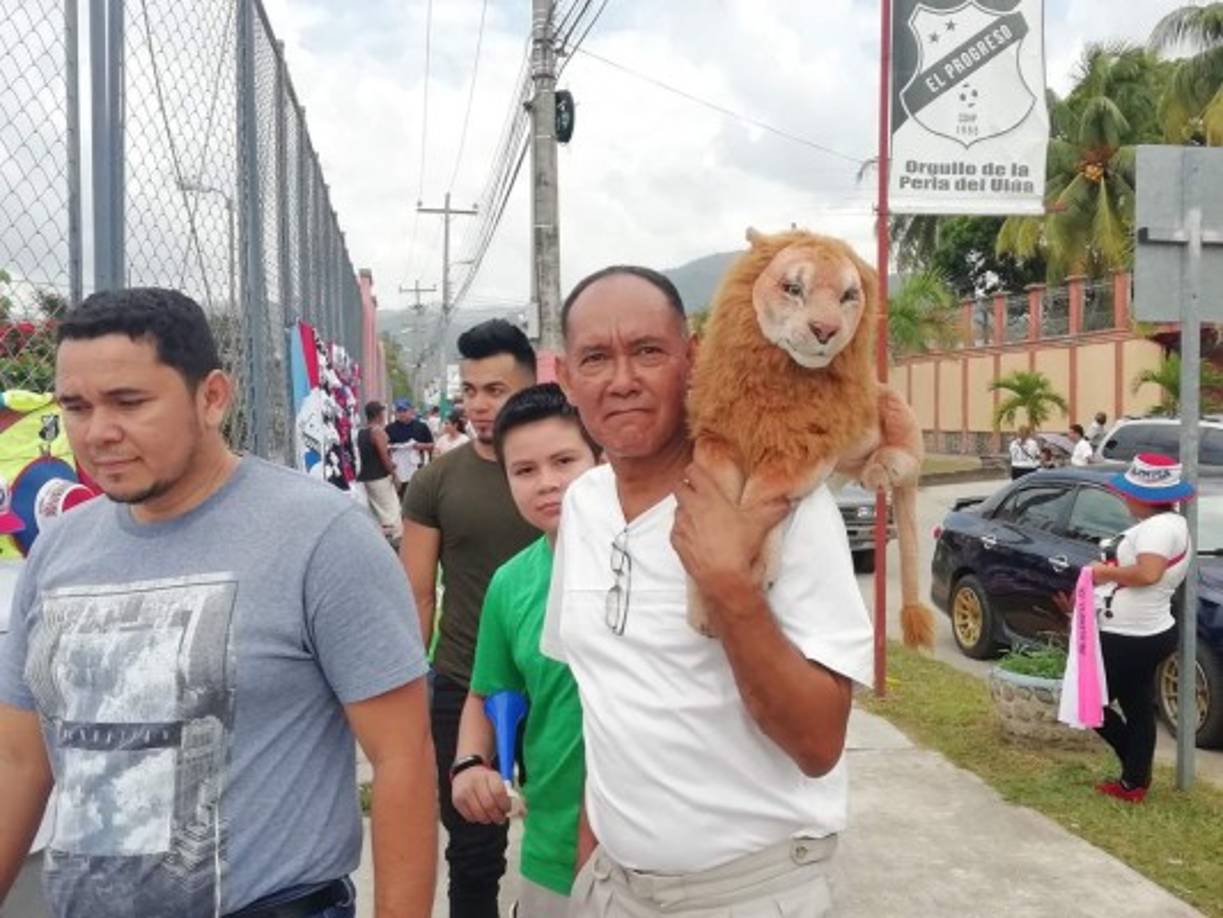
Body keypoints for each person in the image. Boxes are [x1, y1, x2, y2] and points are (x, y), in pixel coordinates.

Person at [0, 288, 436, 917]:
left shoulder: (319, 536)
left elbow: (402, 758)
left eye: (129, 402)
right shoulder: (59, 547)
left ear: (212, 397)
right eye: (76, 407)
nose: (98, 433)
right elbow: (19, 759)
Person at [542, 266, 874, 917]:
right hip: (613, 887)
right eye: (595, 359)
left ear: (692, 356)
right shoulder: (581, 505)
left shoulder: (780, 506)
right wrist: (589, 872)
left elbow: (817, 744)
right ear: (565, 379)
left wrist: (731, 590)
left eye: (647, 352)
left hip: (749, 892)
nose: (622, 380)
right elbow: (608, 709)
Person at [400, 318, 540, 917]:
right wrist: (413, 688)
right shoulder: (435, 482)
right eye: (471, 392)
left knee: (580, 835)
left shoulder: (564, 471)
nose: (480, 406)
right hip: (465, 685)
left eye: (497, 390)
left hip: (562, 683)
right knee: (474, 851)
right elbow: (417, 592)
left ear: (530, 389)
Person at [451, 383, 599, 917]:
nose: (548, 484)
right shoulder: (510, 584)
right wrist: (470, 764)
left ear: (600, 458)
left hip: (659, 859)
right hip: (549, 855)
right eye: (526, 470)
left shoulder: (660, 560)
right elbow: (487, 693)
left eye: (565, 460)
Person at [1086, 453, 1193, 803]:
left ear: (1145, 496)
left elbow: (1148, 574)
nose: (1125, 497)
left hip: (1130, 635)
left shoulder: (1159, 528)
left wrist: (1103, 573)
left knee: (1089, 704)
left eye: (1129, 492)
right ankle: (1134, 783)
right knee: (1137, 706)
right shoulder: (1170, 524)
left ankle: (1133, 766)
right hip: (1145, 629)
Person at [357, 400, 403, 543]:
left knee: (376, 512)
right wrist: (394, 475)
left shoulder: (361, 432)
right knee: (391, 511)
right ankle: (393, 542)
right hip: (379, 477)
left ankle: (381, 541)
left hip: (367, 477)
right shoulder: (377, 432)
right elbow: (384, 457)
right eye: (383, 413)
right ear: (378, 415)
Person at [385, 399, 434, 494]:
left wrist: (421, 446)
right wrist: (391, 449)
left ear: (411, 411)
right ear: (395, 413)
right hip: (397, 469)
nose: (402, 414)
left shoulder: (421, 427)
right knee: (398, 496)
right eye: (399, 411)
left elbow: (432, 445)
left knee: (415, 495)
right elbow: (383, 449)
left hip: (417, 468)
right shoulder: (389, 428)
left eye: (404, 410)